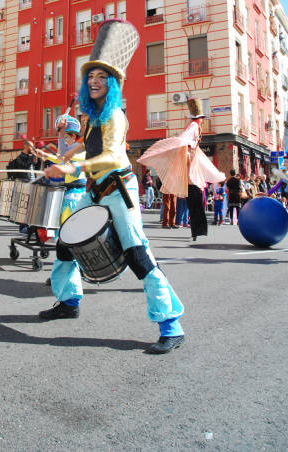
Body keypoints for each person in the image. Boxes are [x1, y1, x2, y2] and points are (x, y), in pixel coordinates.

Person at [39, 19, 185, 354]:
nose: (93, 81)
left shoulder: (115, 116)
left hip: (118, 190)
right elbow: (84, 148)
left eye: (101, 76)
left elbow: (110, 157)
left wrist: (72, 166)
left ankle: (171, 324)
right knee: (66, 245)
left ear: (113, 83)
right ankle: (69, 300)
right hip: (94, 190)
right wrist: (61, 158)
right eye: (90, 76)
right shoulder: (91, 117)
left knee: (138, 255)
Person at [138, 98, 225, 241]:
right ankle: (196, 230)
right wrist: (184, 146)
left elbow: (187, 141)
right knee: (195, 196)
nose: (203, 120)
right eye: (202, 118)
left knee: (195, 197)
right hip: (190, 163)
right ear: (199, 118)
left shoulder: (195, 126)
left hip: (193, 162)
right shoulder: (194, 126)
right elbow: (185, 139)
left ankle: (196, 230)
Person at [262, 146, 288, 251]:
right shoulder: (284, 175)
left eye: (285, 162)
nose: (283, 163)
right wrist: (265, 193)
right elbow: (276, 187)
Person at [7, 140, 38, 234]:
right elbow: (25, 166)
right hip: (24, 184)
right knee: (24, 206)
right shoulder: (20, 157)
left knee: (31, 206)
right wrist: (32, 157)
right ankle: (22, 227)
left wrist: (37, 159)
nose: (33, 148)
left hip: (33, 183)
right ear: (26, 146)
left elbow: (35, 166)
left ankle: (30, 226)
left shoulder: (30, 157)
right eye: (31, 146)